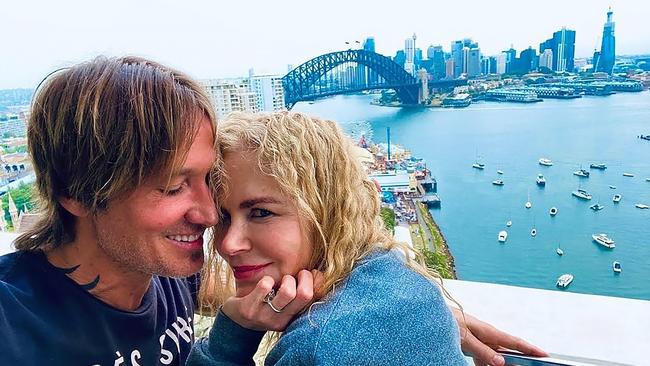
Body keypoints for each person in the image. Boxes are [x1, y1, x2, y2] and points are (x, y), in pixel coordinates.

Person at [0, 56, 543, 366]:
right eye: (172, 187)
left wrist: (420, 312)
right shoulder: (15, 328)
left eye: (205, 181)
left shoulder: (165, 273)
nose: (211, 218)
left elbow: (253, 292)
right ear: (78, 193)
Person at [187, 111, 544, 365]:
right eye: (223, 217)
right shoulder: (395, 278)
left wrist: (229, 340)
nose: (228, 244)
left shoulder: (319, 343)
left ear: (326, 210)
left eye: (261, 213)